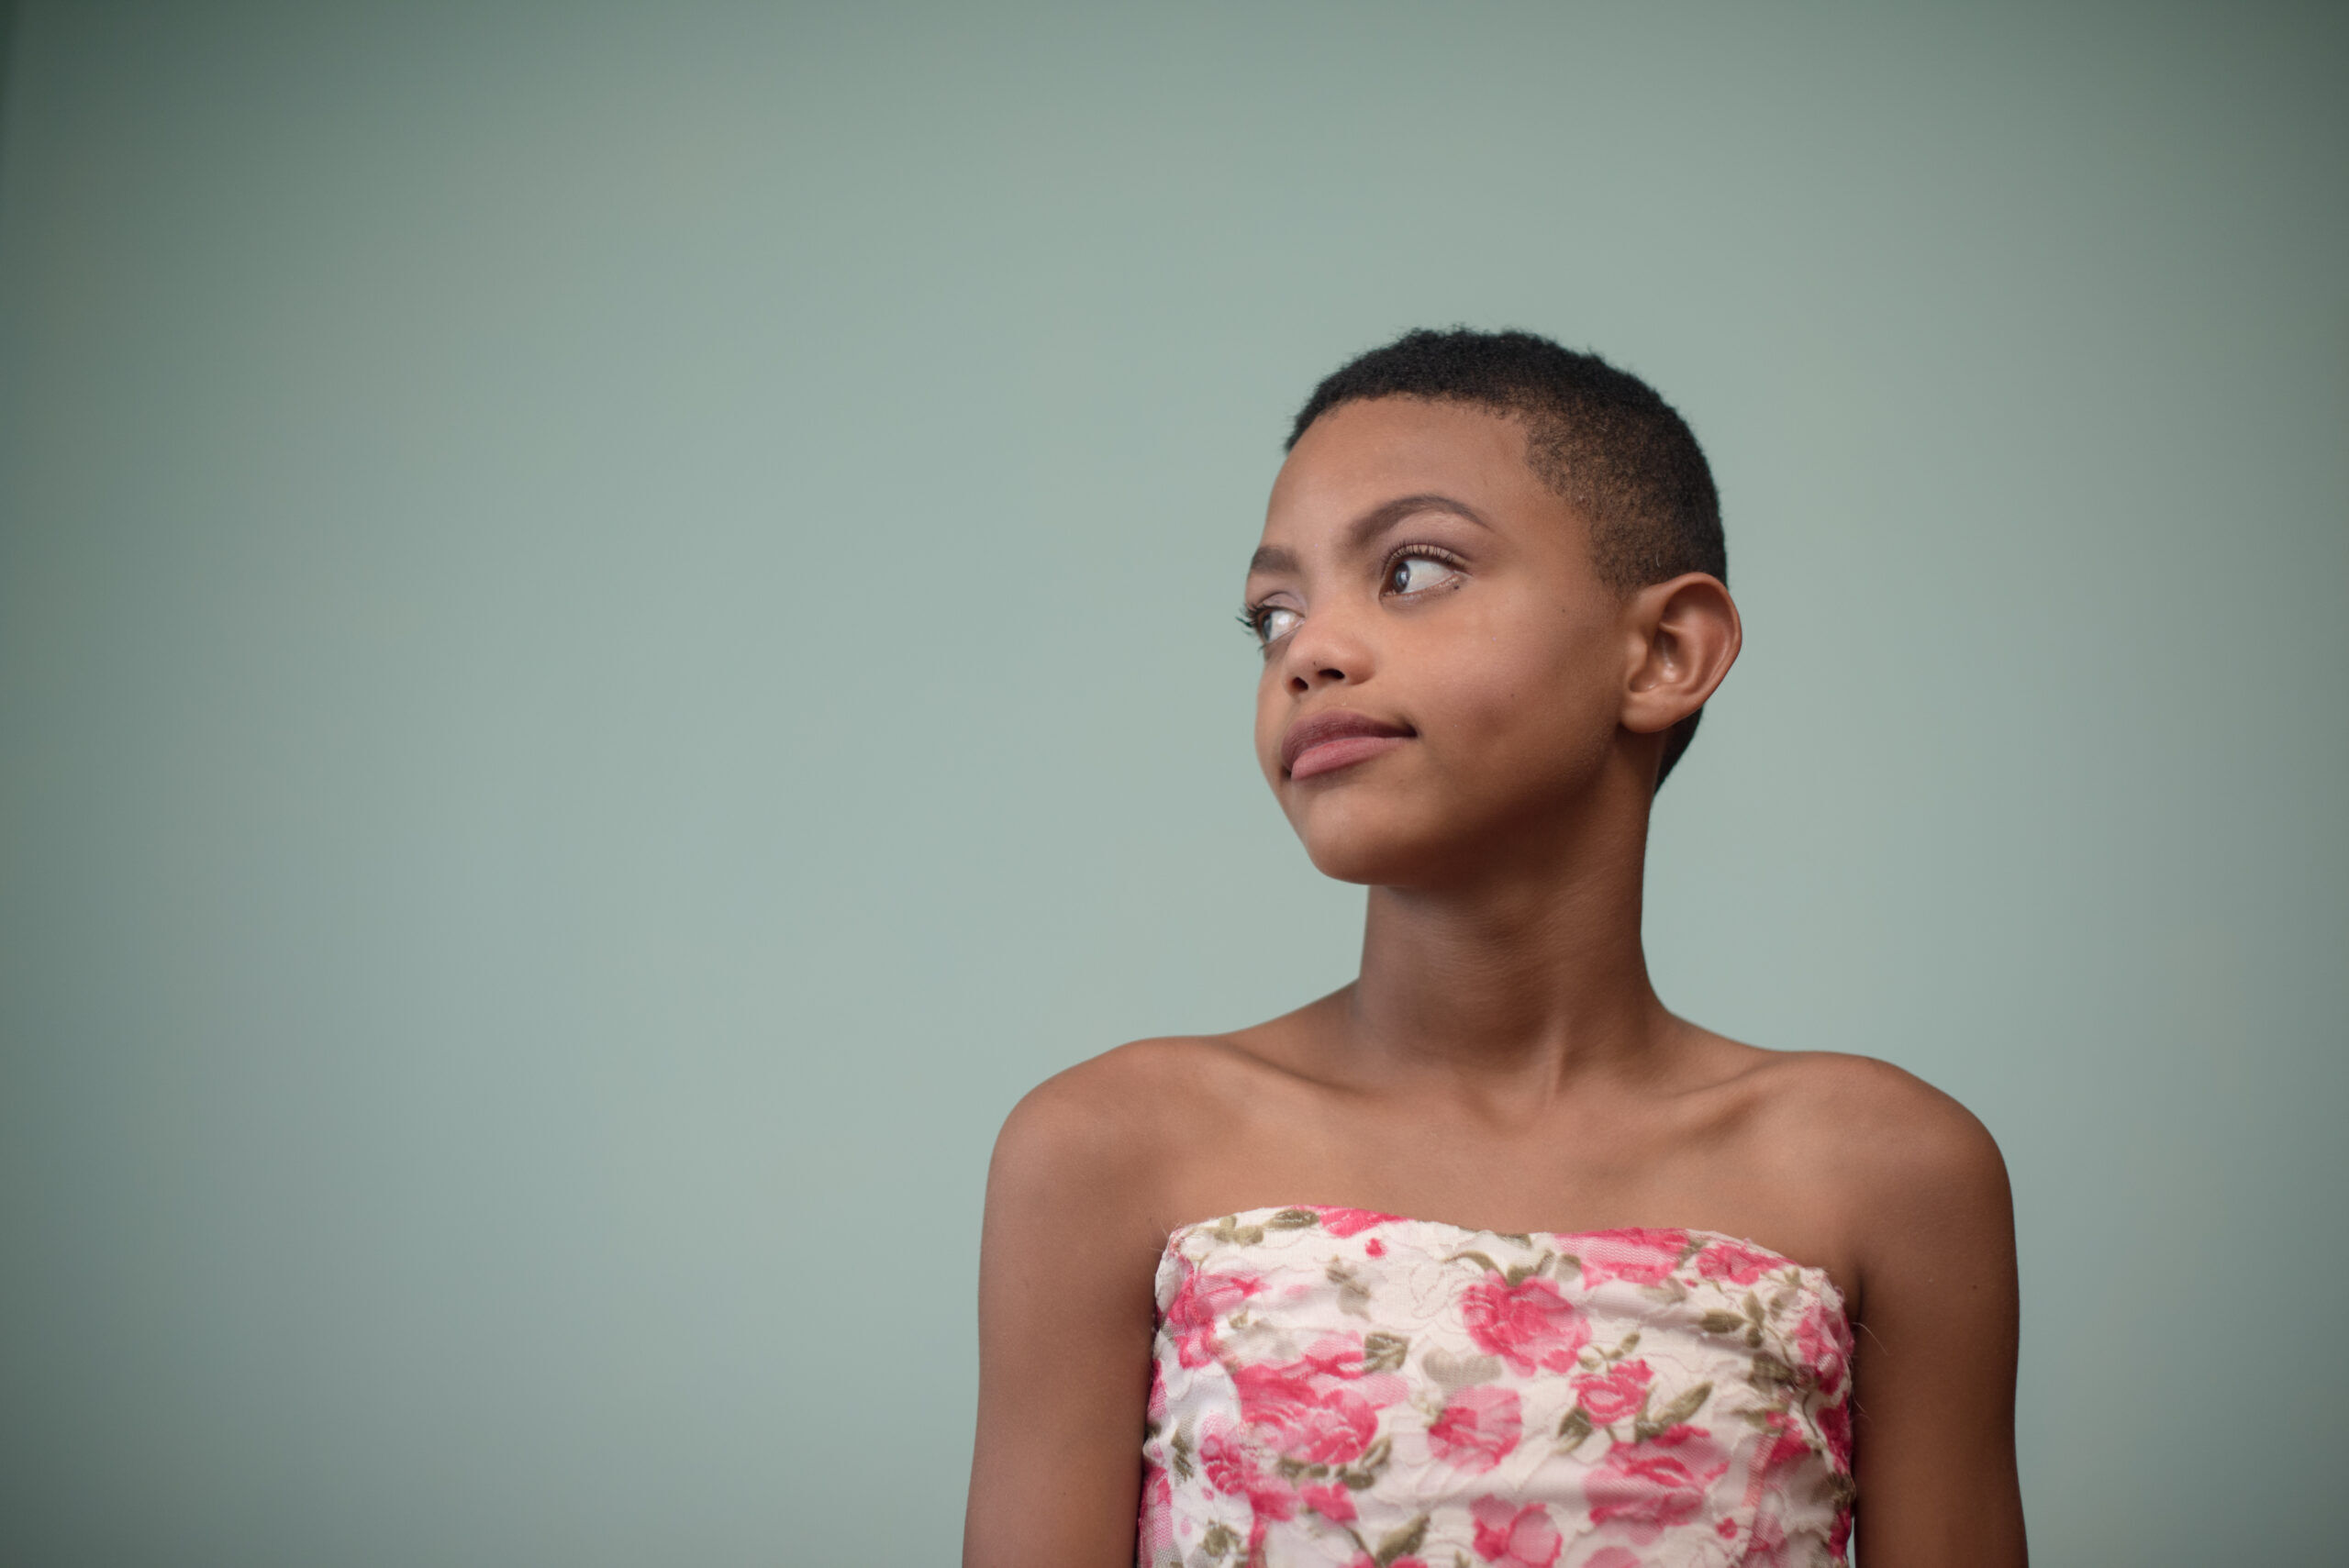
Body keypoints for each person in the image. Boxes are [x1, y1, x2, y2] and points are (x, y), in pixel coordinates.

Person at [963, 328, 2023, 1567]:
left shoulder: (1887, 1171)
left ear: (1664, 651)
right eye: (1274, 612)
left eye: (1413, 569)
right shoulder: (1107, 1149)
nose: (1307, 649)